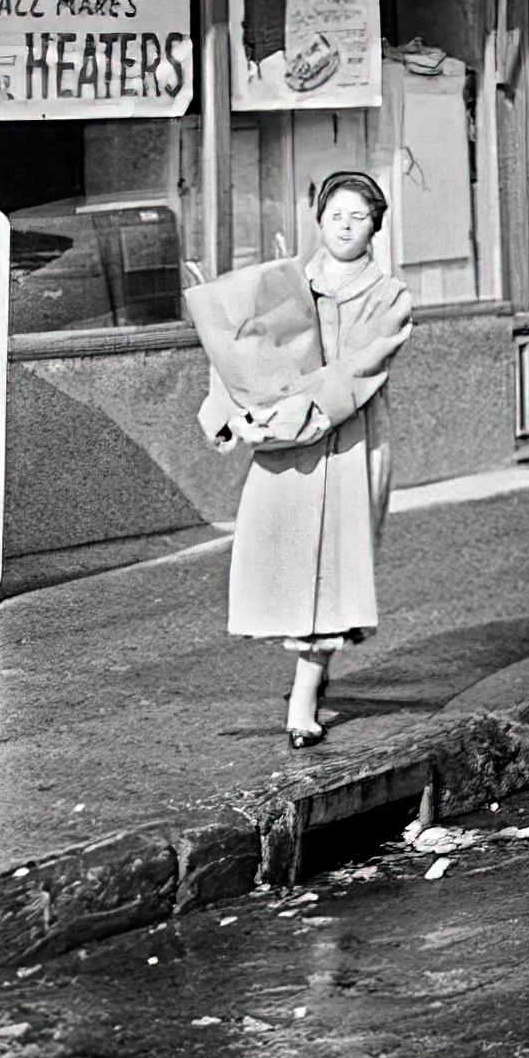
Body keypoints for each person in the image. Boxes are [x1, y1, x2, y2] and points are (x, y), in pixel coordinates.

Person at [199, 169, 413, 747]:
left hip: (348, 441)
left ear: (376, 226)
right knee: (287, 562)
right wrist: (232, 411)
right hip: (281, 447)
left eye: (359, 216)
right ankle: (313, 675)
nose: (346, 226)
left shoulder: (389, 296)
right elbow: (245, 350)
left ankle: (302, 699)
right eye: (336, 214)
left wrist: (295, 413)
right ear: (319, 219)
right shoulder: (286, 283)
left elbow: (359, 371)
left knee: (332, 570)